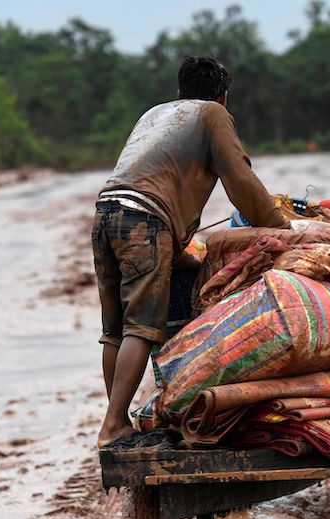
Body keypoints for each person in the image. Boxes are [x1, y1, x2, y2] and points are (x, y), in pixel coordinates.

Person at [92, 55, 290, 448]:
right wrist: (280, 227)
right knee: (141, 327)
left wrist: (177, 252)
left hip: (106, 213)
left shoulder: (154, 114)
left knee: (114, 330)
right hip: (145, 221)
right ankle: (113, 425)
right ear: (224, 96)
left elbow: (153, 177)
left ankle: (119, 421)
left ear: (180, 91)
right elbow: (240, 179)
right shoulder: (213, 114)